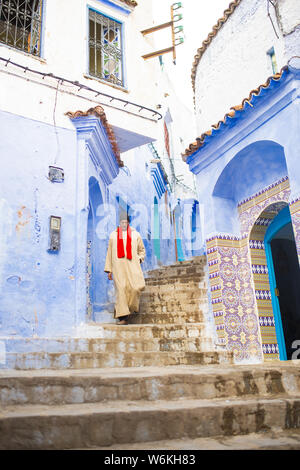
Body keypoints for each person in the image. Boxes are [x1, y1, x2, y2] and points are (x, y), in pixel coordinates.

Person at [104, 213, 146, 325]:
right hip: (118, 268)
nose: (123, 224)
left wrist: (139, 259)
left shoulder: (135, 235)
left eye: (125, 222)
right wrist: (109, 270)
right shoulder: (113, 235)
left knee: (135, 288)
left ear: (128, 222)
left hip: (132, 266)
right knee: (121, 290)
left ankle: (132, 308)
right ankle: (123, 318)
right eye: (121, 222)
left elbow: (142, 250)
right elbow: (109, 253)